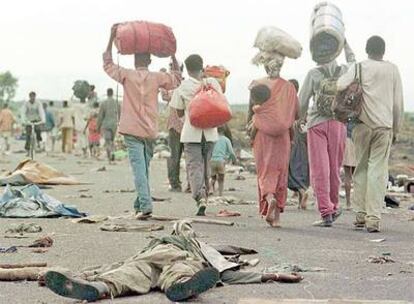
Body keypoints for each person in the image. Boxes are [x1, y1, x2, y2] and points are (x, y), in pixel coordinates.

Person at [43, 220, 303, 302]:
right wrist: (269, 275)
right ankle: (180, 288)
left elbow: (225, 269)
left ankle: (98, 289)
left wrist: (271, 275)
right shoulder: (192, 245)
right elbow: (225, 269)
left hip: (156, 261)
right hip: (168, 259)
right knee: (136, 272)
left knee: (125, 275)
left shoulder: (182, 245)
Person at [103, 24, 181, 219]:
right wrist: (172, 56)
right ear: (150, 59)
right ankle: (139, 204)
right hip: (149, 130)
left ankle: (145, 205)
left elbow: (108, 63)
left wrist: (110, 37)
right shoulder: (157, 77)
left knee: (139, 169)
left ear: (135, 58)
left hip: (131, 130)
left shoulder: (127, 75)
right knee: (143, 168)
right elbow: (177, 79)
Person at [337, 36, 404, 232]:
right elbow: (398, 104)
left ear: (367, 50)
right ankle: (373, 218)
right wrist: (397, 128)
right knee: (378, 171)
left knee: (361, 169)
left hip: (361, 125)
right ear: (383, 50)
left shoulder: (358, 67)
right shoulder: (392, 69)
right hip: (384, 127)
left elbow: (340, 84)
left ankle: (360, 214)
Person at [299, 41, 355, 227]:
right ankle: (335, 205)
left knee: (319, 168)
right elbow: (354, 61)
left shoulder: (313, 73)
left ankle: (326, 212)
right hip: (339, 123)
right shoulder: (345, 70)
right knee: (334, 167)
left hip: (317, 123)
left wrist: (300, 119)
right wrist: (344, 43)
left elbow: (303, 100)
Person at [247, 53, 299, 228]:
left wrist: (251, 133)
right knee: (280, 172)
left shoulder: (257, 85)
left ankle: (269, 199)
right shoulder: (289, 88)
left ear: (265, 66)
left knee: (265, 171)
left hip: (262, 134)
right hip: (284, 136)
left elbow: (251, 111)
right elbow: (296, 114)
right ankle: (276, 218)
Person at [170, 54, 222, 216]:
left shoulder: (182, 87)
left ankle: (199, 196)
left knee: (194, 166)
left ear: (187, 67)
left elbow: (178, 111)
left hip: (191, 133)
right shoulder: (212, 83)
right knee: (206, 165)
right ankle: (205, 194)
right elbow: (220, 101)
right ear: (202, 66)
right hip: (210, 133)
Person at [160, 63, 188, 192]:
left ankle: (175, 184)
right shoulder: (187, 85)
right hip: (188, 125)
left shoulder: (172, 87)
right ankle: (191, 184)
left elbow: (165, 96)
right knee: (190, 156)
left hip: (176, 126)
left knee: (174, 156)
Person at [287, 79, 309, 210]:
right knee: (301, 166)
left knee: (290, 168)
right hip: (302, 138)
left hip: (291, 137)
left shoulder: (287, 102)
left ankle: (300, 191)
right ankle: (301, 199)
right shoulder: (302, 101)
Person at [210, 126, 237, 196]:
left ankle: (211, 189)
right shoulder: (226, 140)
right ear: (224, 131)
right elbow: (231, 152)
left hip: (212, 161)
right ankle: (220, 194)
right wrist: (234, 159)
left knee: (213, 177)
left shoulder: (212, 139)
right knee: (221, 179)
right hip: (221, 161)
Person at [97, 88, 119, 163]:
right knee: (112, 141)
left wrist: (98, 126)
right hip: (114, 124)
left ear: (107, 93)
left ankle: (109, 155)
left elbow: (100, 116)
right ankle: (112, 153)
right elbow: (120, 114)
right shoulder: (116, 103)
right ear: (112, 93)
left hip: (106, 124)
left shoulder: (104, 103)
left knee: (107, 141)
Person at [342, 121, 357, 210]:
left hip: (347, 140)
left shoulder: (345, 109)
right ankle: (358, 202)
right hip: (358, 140)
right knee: (358, 174)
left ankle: (348, 203)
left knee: (347, 174)